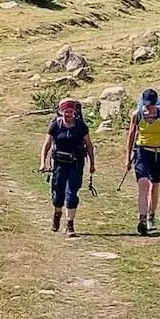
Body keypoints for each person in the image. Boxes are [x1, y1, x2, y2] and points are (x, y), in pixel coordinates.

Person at [39, 97, 96, 238]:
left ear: (74, 112)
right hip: (59, 164)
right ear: (61, 111)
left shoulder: (81, 126)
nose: (69, 114)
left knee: (72, 192)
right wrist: (43, 163)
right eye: (66, 111)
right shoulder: (55, 125)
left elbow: (89, 145)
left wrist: (92, 163)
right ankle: (57, 214)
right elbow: (47, 145)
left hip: (76, 163)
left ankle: (70, 224)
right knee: (58, 193)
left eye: (71, 111)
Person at [125, 88, 160, 235]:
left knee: (154, 186)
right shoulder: (137, 115)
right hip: (142, 152)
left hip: (159, 154)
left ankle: (151, 216)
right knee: (143, 184)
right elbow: (131, 136)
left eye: (151, 105)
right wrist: (127, 157)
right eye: (147, 104)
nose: (149, 107)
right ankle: (142, 219)